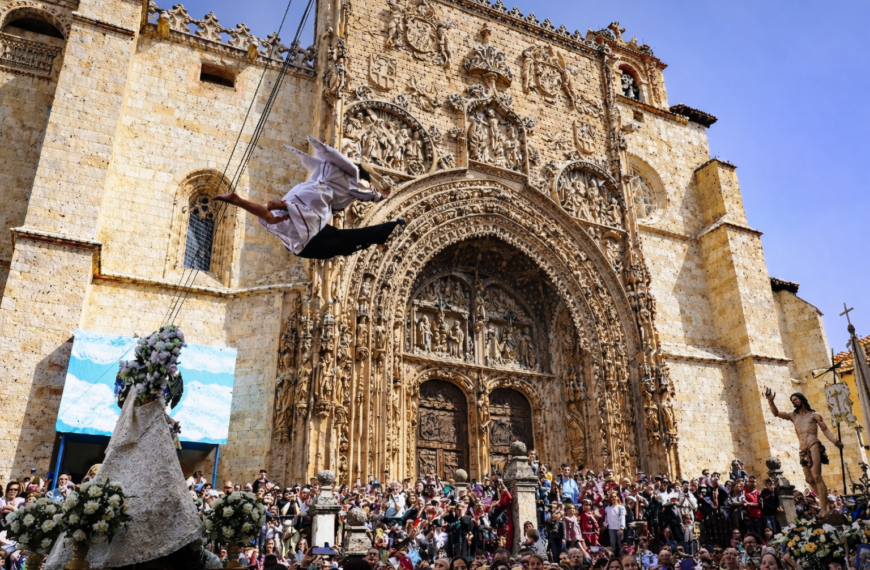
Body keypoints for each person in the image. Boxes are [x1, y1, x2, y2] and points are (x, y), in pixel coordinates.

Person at [215, 136, 404, 260]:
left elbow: (323, 157)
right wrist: (381, 194)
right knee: (344, 240)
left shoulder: (327, 168)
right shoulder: (353, 181)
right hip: (308, 224)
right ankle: (389, 229)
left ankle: (245, 201)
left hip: (304, 194)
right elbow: (370, 193)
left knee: (273, 217)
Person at [764, 389, 843, 514]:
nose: (794, 402)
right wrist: (770, 401)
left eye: (796, 399)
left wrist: (835, 441)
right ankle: (825, 500)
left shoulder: (814, 415)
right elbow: (776, 413)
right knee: (809, 479)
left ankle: (824, 510)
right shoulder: (793, 415)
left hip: (813, 444)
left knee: (817, 476)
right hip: (803, 448)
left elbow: (825, 430)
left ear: (802, 399)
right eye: (792, 401)